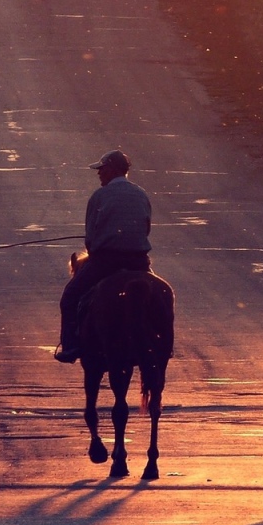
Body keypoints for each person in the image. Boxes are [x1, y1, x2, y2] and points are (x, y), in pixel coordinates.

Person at [54, 149, 152, 364]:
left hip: (106, 261)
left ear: (113, 170)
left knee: (70, 296)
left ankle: (71, 345)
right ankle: (159, 344)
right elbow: (146, 228)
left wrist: (100, 243)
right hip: (139, 261)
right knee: (158, 294)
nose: (99, 173)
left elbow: (90, 238)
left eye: (102, 169)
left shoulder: (100, 196)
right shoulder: (141, 194)